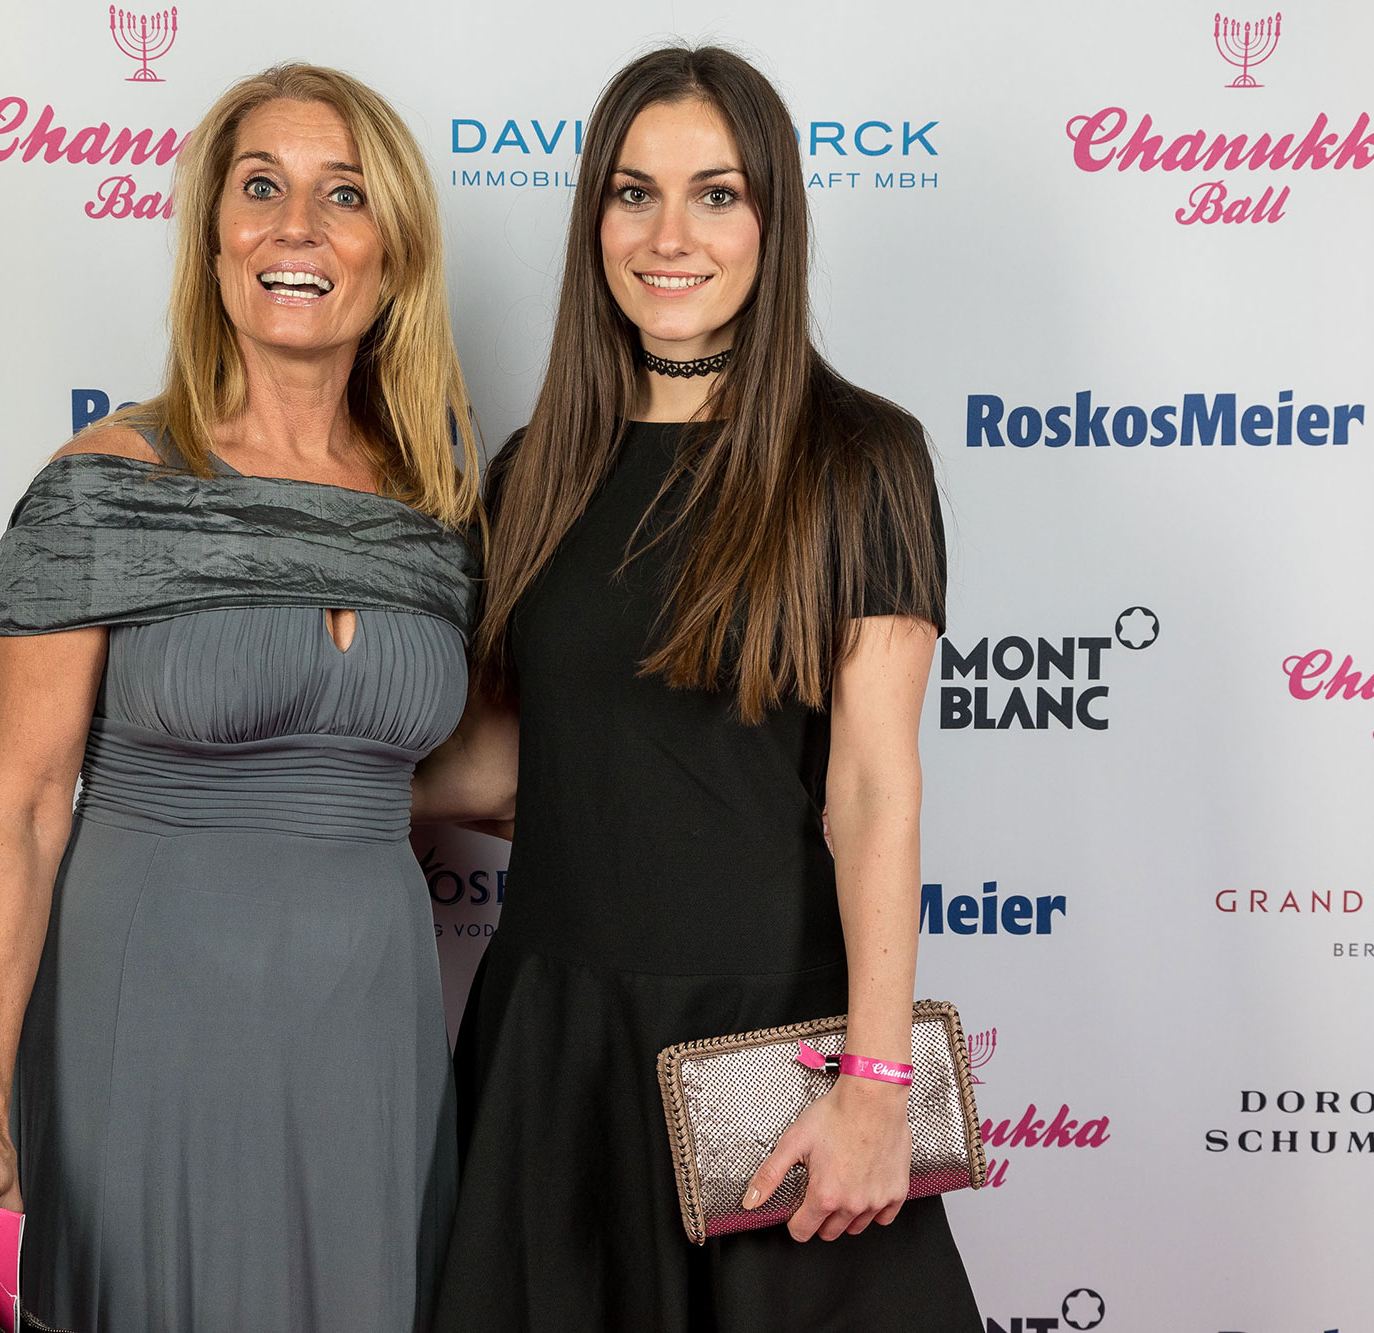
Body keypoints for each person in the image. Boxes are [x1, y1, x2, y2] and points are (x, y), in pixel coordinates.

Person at [0, 63, 482, 1332]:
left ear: (393, 250)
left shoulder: (438, 510)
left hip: (369, 1031)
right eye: (259, 188)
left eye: (343, 195)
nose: (295, 228)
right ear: (213, 240)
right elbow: (23, 808)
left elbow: (456, 772)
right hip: (152, 1014)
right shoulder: (109, 483)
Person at [421, 45, 985, 1332]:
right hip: (553, 1042)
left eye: (715, 194)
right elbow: (508, 769)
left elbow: (871, 788)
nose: (667, 236)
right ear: (595, 219)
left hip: (770, 1050)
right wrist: (273, 791)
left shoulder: (860, 459)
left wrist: (874, 1081)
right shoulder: (534, 471)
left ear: (770, 220)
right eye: (634, 194)